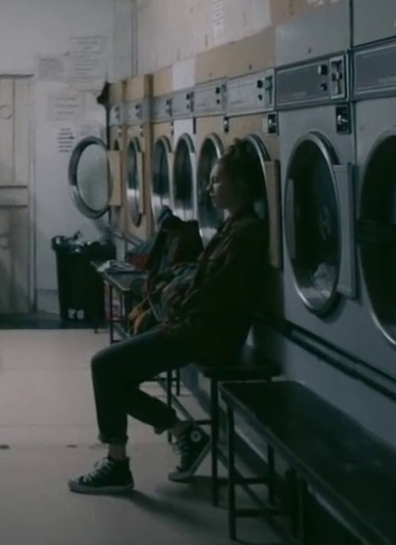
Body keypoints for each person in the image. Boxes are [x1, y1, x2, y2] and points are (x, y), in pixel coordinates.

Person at [68, 139, 271, 495]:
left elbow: (220, 293)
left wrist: (174, 301)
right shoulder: (233, 227)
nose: (209, 188)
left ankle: (120, 463)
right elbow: (207, 281)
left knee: (105, 366)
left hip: (206, 334)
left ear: (239, 184)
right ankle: (183, 434)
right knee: (114, 376)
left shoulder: (246, 233)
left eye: (217, 180)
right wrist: (174, 290)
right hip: (196, 327)